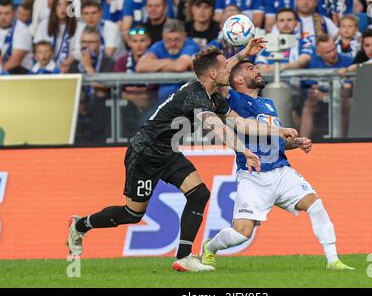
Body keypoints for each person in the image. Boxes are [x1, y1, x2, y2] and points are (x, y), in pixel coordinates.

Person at [67, 39, 298, 272]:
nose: (230, 70)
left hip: (167, 152)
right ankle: (80, 225)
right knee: (132, 214)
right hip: (145, 153)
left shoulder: (212, 94)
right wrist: (244, 150)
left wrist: (279, 130)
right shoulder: (195, 96)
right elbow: (218, 128)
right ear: (212, 73)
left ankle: (184, 257)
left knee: (199, 194)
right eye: (225, 67)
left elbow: (241, 122)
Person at [201, 60, 355, 271]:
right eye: (250, 69)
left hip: (281, 171)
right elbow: (220, 74)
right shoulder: (232, 100)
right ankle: (210, 246)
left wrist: (296, 143)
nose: (257, 70)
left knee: (315, 205)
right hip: (252, 176)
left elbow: (278, 141)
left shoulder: (269, 105)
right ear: (237, 79)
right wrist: (243, 53)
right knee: (241, 234)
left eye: (256, 67)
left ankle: (333, 260)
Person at [281, 34, 354, 138]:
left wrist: (329, 95)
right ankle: (302, 141)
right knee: (309, 104)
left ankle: (343, 140)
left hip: (341, 97)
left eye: (334, 49)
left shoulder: (348, 61)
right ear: (319, 53)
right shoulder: (312, 63)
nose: (333, 54)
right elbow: (312, 89)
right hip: (318, 100)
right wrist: (319, 94)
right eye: (328, 52)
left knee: (348, 103)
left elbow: (347, 88)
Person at [67, 27, 116, 143]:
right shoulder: (75, 64)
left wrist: (88, 67)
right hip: (80, 109)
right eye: (83, 42)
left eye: (91, 42)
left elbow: (102, 91)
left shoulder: (108, 61)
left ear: (99, 44)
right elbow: (70, 90)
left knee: (99, 100)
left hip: (102, 111)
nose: (86, 46)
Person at [136, 19, 200, 103]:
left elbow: (179, 67)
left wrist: (157, 65)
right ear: (163, 37)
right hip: (163, 102)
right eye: (169, 39)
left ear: (184, 37)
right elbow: (140, 66)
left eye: (177, 39)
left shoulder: (190, 45)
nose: (173, 43)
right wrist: (168, 61)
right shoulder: (159, 46)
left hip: (189, 101)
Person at [114, 25, 158, 135]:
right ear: (129, 43)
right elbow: (119, 91)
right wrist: (140, 94)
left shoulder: (156, 59)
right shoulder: (122, 61)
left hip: (152, 105)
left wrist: (130, 92)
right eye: (135, 41)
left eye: (142, 40)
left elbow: (152, 92)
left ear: (148, 41)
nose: (139, 45)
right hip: (128, 109)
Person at [34, 0, 82, 67]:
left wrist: (69, 60)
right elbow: (38, 46)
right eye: (59, 5)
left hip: (69, 66)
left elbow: (79, 50)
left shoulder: (78, 26)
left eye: (66, 5)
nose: (62, 8)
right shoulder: (45, 24)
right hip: (46, 65)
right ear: (54, 8)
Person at [0, 0, 33, 74]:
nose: (3, 17)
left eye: (7, 13)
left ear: (14, 13)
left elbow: (15, 61)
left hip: (20, 72)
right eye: (0, 13)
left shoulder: (22, 29)